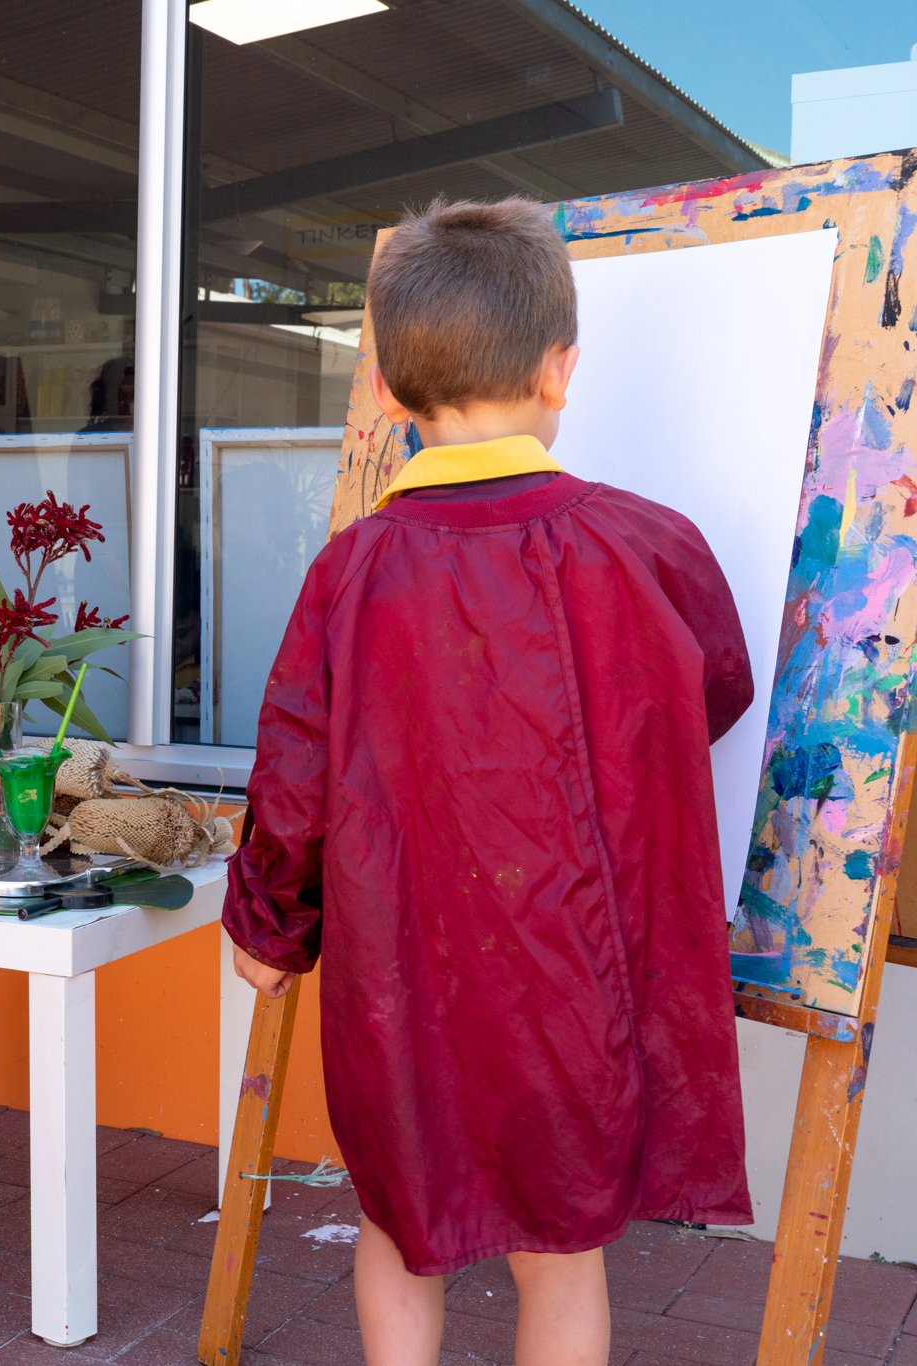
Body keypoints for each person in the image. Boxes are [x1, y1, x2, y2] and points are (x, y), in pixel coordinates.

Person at [222, 198, 754, 1366]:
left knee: (396, 1223)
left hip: (398, 977)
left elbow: (293, 775)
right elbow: (713, 692)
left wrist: (267, 926)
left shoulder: (348, 571)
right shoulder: (648, 545)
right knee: (559, 1253)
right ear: (559, 370)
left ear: (389, 390)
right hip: (575, 982)